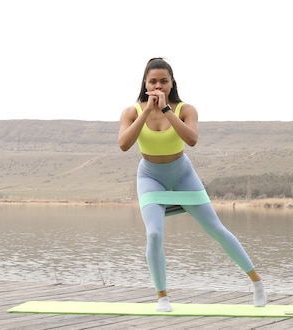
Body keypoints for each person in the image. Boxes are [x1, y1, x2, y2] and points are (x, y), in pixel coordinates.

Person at [118, 57, 267, 312]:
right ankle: (162, 297)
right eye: (153, 81)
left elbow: (192, 139)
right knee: (153, 233)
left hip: (182, 175)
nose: (158, 86)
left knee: (216, 229)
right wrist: (146, 111)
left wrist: (165, 109)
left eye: (163, 81)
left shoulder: (185, 109)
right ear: (145, 83)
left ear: (172, 83)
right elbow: (123, 144)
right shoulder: (132, 111)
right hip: (150, 177)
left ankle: (257, 283)